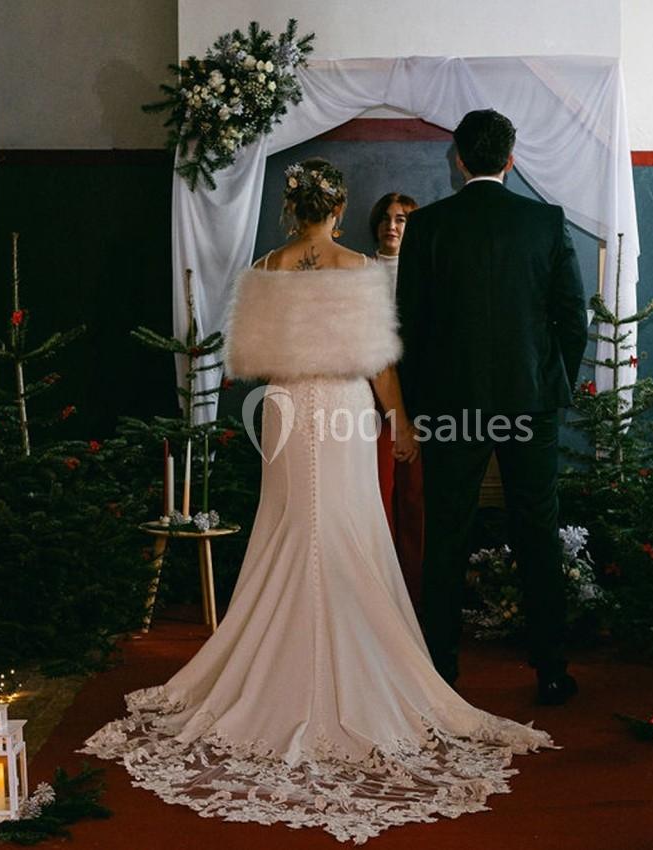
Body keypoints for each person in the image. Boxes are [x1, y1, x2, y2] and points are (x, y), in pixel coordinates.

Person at [80, 158, 552, 845]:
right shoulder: (358, 269)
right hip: (341, 409)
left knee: (290, 529)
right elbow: (380, 362)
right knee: (346, 529)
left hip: (285, 410)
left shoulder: (265, 268)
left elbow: (244, 358)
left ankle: (274, 665)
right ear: (338, 208)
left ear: (290, 207)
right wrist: (400, 421)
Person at [396, 110, 588, 706]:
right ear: (511, 158)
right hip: (530, 404)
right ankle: (551, 671)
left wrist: (422, 406)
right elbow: (572, 322)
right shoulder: (546, 222)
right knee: (537, 530)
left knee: (447, 533)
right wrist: (554, 386)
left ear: (458, 159)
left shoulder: (427, 227)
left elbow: (410, 326)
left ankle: (440, 672)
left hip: (451, 406)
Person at [368, 192, 426, 608]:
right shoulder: (360, 272)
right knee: (377, 495)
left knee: (415, 500)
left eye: (402, 219)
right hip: (369, 404)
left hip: (420, 403)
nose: (392, 225)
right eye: (387, 218)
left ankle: (415, 596)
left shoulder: (428, 274)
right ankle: (380, 597)